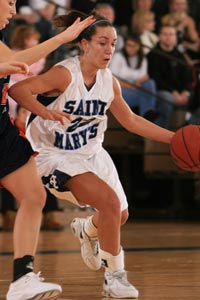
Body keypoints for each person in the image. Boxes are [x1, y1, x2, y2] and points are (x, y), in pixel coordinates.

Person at [9, 10, 174, 298]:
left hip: (92, 153)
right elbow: (19, 90)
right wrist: (44, 110)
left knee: (119, 215)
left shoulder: (109, 81)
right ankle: (115, 278)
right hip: (54, 155)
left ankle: (87, 229)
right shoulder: (64, 73)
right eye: (102, 42)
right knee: (109, 204)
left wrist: (174, 139)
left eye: (113, 43)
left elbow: (131, 121)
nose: (109, 49)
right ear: (84, 44)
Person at [0, 1, 95, 299]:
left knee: (33, 195)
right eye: (10, 3)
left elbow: (19, 60)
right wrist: (62, 39)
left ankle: (22, 278)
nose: (13, 11)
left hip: (2, 127)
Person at [147, 24, 194, 128]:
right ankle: (162, 134)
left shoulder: (180, 55)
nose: (168, 37)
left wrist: (185, 92)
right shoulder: (152, 55)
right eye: (165, 34)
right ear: (159, 36)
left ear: (176, 37)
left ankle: (189, 131)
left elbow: (187, 77)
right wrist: (173, 92)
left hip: (181, 92)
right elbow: (155, 79)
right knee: (166, 97)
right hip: (161, 91)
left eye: (171, 34)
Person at [109, 33, 159, 122]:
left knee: (150, 83)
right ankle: (147, 113)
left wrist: (137, 84)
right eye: (128, 45)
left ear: (139, 46)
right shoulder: (118, 56)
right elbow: (112, 78)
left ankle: (146, 115)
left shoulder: (142, 58)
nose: (130, 48)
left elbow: (144, 77)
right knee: (145, 96)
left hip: (136, 88)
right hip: (120, 89)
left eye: (134, 46)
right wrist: (130, 86)